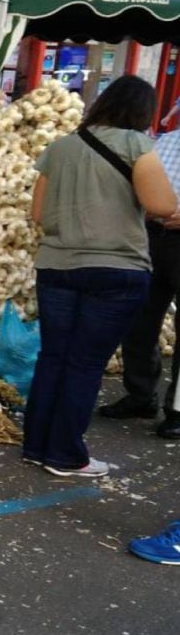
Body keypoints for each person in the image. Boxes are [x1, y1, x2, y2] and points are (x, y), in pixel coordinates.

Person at [22, 75, 177, 477]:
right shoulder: (137, 146)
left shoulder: (60, 148)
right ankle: (65, 455)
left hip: (56, 267)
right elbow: (161, 204)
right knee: (85, 364)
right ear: (142, 112)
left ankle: (37, 446)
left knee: (53, 357)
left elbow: (39, 214)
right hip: (116, 269)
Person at [98, 125, 180, 439]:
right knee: (139, 320)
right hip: (154, 238)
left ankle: (177, 410)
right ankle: (141, 395)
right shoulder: (164, 143)